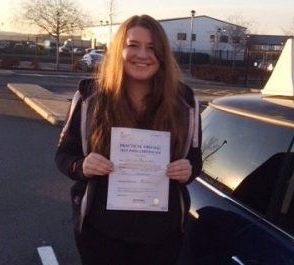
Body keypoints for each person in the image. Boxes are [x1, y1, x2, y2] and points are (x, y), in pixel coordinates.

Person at [55, 14, 202, 265]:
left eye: (152, 48)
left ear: (163, 55)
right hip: (101, 233)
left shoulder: (184, 101)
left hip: (162, 237)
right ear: (119, 50)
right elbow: (64, 156)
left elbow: (195, 160)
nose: (142, 55)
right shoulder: (90, 96)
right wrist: (82, 166)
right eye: (133, 45)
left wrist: (188, 170)